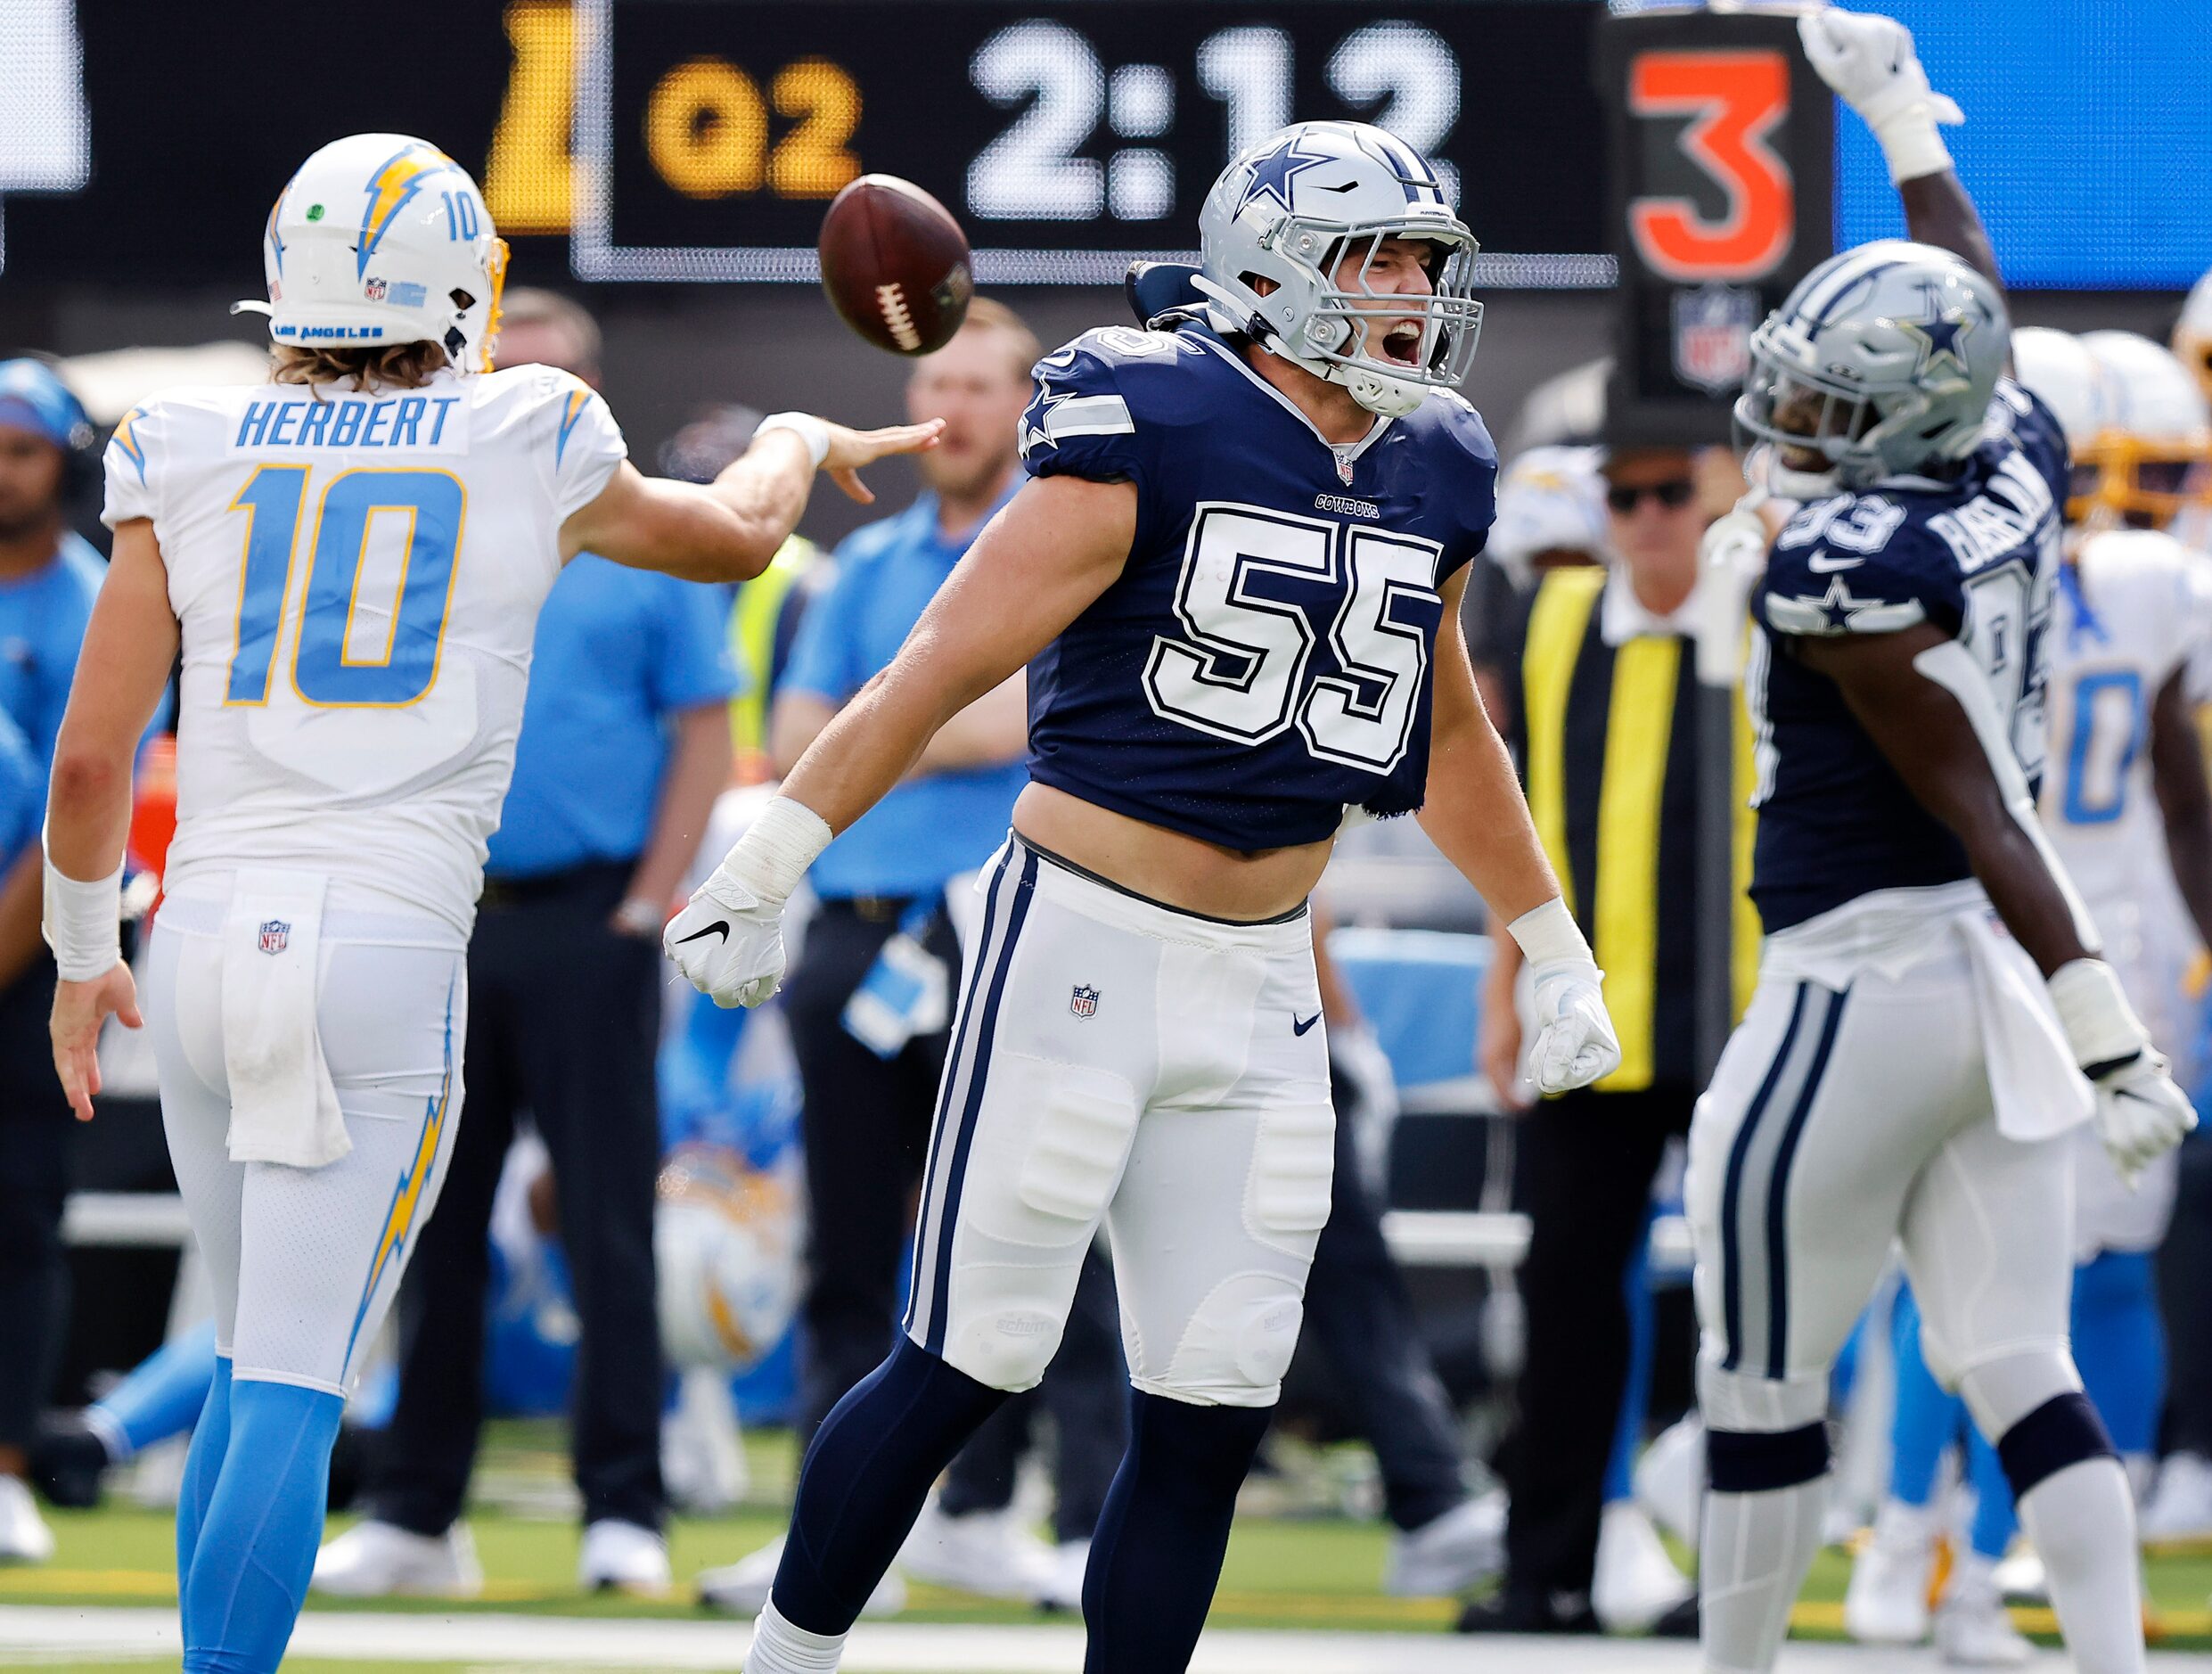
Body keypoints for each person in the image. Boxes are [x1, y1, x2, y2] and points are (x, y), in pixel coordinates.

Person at [664, 118, 1620, 1674]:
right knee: (963, 1361)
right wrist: (773, 856)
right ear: (1266, 270)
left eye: (1420, 263)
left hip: (1263, 981)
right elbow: (940, 663)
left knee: (1211, 1407)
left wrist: (1547, 935)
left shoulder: (1436, 455)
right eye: (1371, 259)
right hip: (1078, 945)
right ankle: (785, 1658)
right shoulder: (1155, 410)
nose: (1407, 294)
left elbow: (1443, 721)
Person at [39, 132, 936, 1674]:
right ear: (457, 282)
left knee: (258, 1353)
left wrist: (76, 954)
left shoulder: (177, 437)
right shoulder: (526, 424)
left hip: (194, 936)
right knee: (293, 1379)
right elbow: (733, 537)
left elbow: (90, 759)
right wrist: (792, 431)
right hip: (384, 944)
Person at [1684, 14, 2194, 1674]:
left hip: (1861, 984)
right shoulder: (2015, 457)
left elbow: (1973, 807)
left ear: (1902, 422)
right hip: (1996, 1002)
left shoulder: (1846, 571)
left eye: (1830, 404)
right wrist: (1901, 118)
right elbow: (1965, 283)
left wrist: (2112, 1022)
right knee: (2016, 1358)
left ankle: (1732, 1668)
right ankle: (2119, 1662)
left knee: (1756, 1381)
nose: (1794, 423)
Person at [694, 298, 1126, 1617]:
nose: (957, 408)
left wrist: (889, 712)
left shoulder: (1069, 542)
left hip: (1006, 926)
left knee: (1042, 1231)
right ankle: (838, 1535)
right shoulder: (864, 566)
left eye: (984, 384)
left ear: (1025, 403)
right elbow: (801, 725)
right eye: (936, 380)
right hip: (861, 932)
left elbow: (1000, 727)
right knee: (846, 1246)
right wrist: (909, 714)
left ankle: (1043, 1514)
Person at [310, 287, 741, 1598]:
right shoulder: (426, 531)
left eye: (557, 381)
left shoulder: (644, 540)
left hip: (588, 909)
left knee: (608, 1219)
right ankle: (416, 1512)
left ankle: (623, 1503)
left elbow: (705, 729)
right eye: (510, 374)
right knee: (426, 1219)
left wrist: (650, 898)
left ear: (594, 399)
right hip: (441, 909)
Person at [1845, 327, 2212, 1665]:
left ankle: (1931, 1545)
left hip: (2012, 936)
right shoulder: (2156, 582)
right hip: (2091, 947)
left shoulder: (1961, 572)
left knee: (1991, 1270)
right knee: (2026, 1276)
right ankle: (1942, 1552)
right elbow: (2177, 794)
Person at [1463, 435, 1755, 1637]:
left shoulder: (1770, 610)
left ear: (1717, 498)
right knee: (1566, 1298)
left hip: (1745, 1014)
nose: (1645, 519)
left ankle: (1737, 1579)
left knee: (1750, 1312)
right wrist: (1500, 989)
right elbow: (1503, 812)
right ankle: (1548, 1572)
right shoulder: (1551, 614)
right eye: (1623, 498)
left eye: (1670, 494)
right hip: (1591, 1019)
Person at [0, 357, 107, 1563]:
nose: (4, 472)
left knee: (19, 1211)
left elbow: (80, 801)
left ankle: (8, 1455)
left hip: (31, 953)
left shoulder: (87, 600)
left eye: (23, 447)